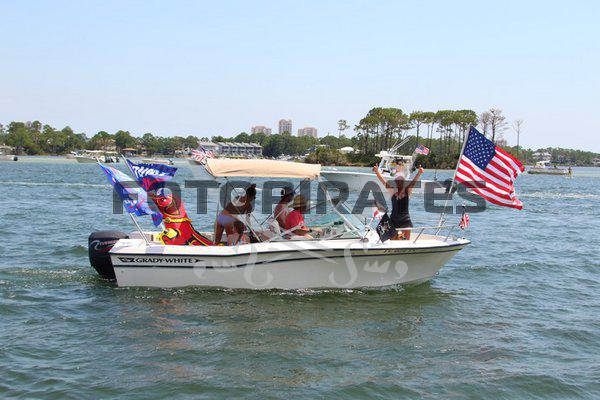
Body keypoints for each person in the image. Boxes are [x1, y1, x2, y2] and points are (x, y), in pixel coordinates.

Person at [374, 164, 424, 240]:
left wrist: (419, 173)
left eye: (401, 181)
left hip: (405, 220)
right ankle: (399, 238)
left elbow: (414, 182)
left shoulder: (408, 191)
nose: (399, 182)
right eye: (397, 181)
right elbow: (383, 182)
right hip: (394, 221)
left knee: (406, 241)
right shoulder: (392, 191)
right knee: (393, 241)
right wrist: (377, 172)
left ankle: (400, 238)